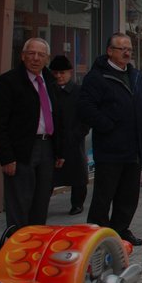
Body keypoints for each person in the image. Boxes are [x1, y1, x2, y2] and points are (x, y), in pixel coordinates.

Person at [0, 38, 64, 237]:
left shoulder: (51, 82)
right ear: (22, 56)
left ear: (47, 58)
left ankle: (35, 250)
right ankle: (17, 255)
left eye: (41, 55)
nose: (35, 58)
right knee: (19, 207)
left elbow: (59, 117)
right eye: (31, 53)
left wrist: (60, 150)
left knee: (40, 205)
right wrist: (6, 156)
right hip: (21, 152)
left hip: (47, 148)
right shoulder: (6, 83)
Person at [78, 33, 142, 246]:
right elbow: (85, 108)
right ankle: (97, 234)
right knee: (104, 195)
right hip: (110, 148)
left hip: (133, 147)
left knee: (128, 196)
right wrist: (107, 125)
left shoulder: (136, 75)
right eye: (122, 49)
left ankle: (120, 230)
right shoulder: (97, 77)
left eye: (129, 49)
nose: (127, 53)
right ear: (110, 51)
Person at [49, 55, 89, 215]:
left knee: (77, 174)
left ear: (70, 72)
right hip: (52, 139)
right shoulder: (49, 91)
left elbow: (85, 119)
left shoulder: (79, 92)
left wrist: (78, 134)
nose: (58, 76)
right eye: (55, 73)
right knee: (48, 175)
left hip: (73, 138)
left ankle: (77, 203)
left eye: (62, 72)